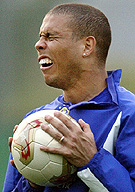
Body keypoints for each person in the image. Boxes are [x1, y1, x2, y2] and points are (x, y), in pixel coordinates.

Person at [3, 3, 135, 192]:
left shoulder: (128, 114)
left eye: (50, 36)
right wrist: (32, 181)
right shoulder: (33, 123)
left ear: (87, 46)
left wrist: (91, 160)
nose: (38, 44)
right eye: (40, 37)